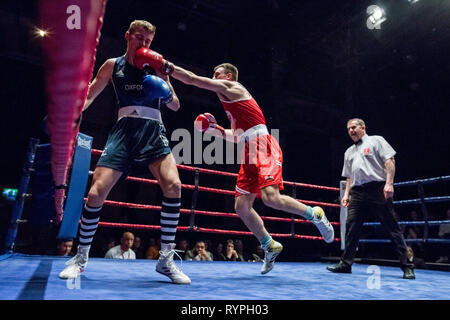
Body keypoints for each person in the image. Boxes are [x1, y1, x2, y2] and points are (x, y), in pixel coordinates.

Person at [58, 20, 190, 284]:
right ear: (128, 36)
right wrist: (70, 114)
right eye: (139, 37)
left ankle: (165, 261)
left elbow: (175, 105)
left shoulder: (157, 65)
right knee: (96, 191)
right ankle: (80, 258)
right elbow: (92, 93)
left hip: (153, 129)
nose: (143, 44)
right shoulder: (113, 65)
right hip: (124, 129)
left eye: (148, 40)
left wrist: (163, 91)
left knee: (174, 185)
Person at [170, 62, 334, 275]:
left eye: (217, 74)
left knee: (271, 198)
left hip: (263, 145)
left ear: (229, 77)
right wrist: (216, 130)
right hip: (248, 150)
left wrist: (167, 67)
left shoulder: (234, 89)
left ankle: (315, 214)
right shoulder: (232, 107)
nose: (213, 76)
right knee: (241, 206)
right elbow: (237, 136)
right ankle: (269, 244)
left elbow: (192, 78)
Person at [327, 118, 415, 279]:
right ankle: (346, 264)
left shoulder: (376, 140)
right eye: (348, 129)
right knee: (351, 228)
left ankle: (407, 266)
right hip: (357, 193)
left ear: (363, 127)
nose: (351, 131)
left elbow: (390, 160)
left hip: (378, 189)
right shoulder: (349, 152)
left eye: (353, 127)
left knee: (392, 228)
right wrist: (346, 194)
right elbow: (348, 176)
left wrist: (389, 183)